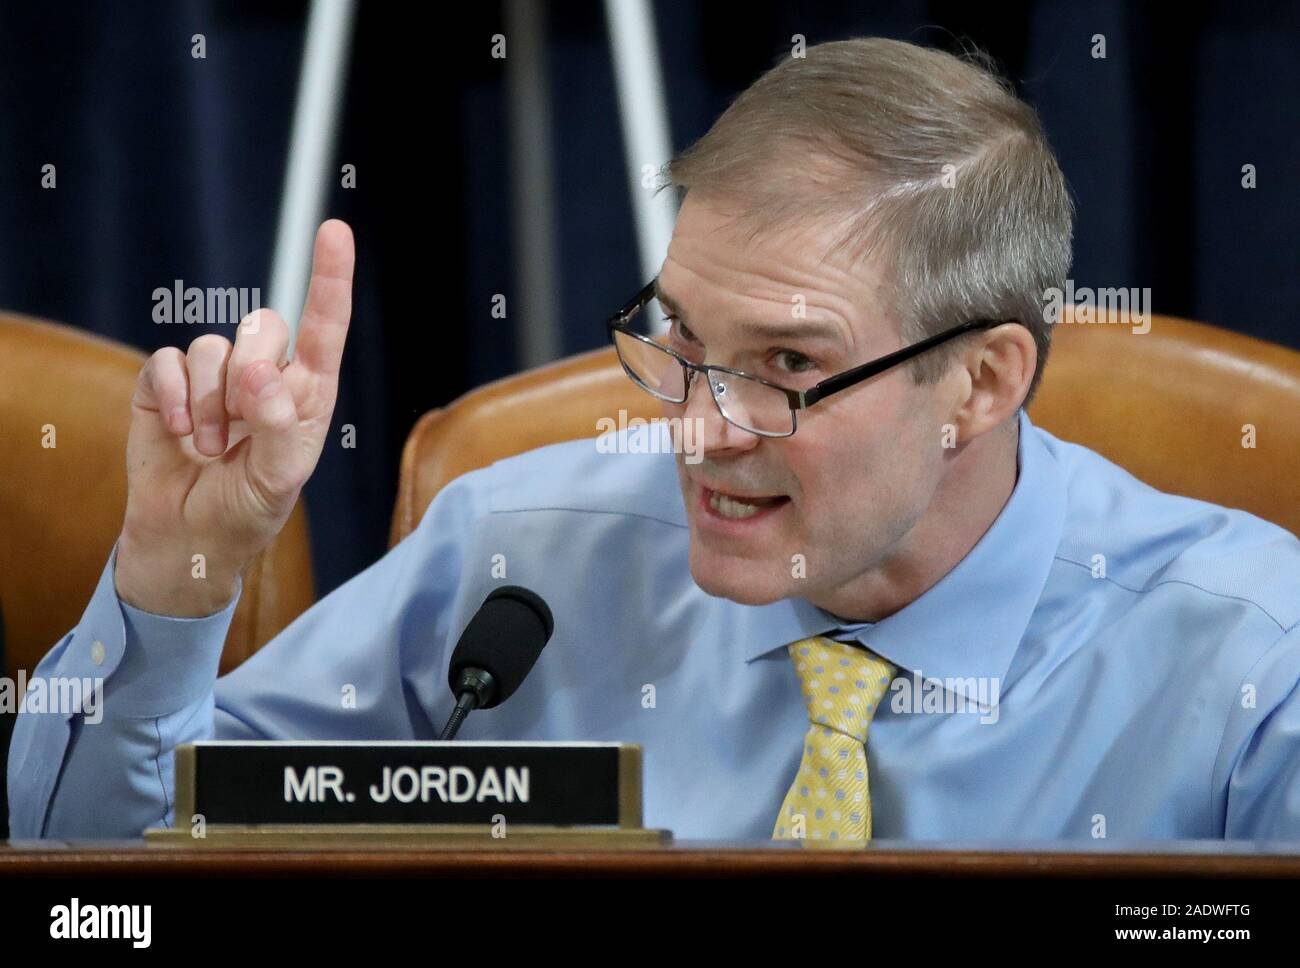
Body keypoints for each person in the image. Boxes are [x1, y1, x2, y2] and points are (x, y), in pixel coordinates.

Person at [9, 38, 1300, 843]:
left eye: (790, 365)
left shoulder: (1251, 661)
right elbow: (101, 884)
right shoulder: (514, 562)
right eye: (678, 337)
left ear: (981, 382)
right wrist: (175, 576)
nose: (694, 426)